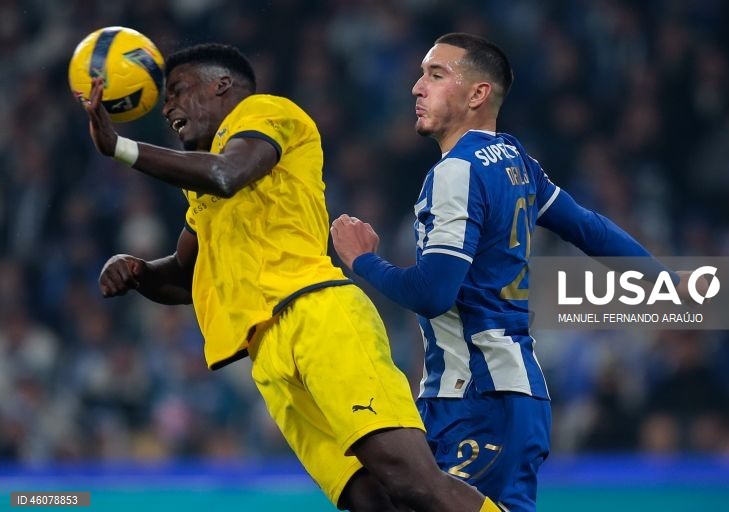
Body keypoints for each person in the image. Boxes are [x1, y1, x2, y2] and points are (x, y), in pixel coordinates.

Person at [84, 43, 502, 512]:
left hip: (318, 316)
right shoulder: (198, 181)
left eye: (179, 91)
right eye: (165, 102)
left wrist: (119, 147)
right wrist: (137, 272)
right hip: (267, 353)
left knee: (412, 480)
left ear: (222, 85)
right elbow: (185, 277)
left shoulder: (266, 113)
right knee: (370, 501)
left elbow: (228, 173)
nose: (168, 107)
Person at [331, 33, 703, 511]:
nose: (416, 87)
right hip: (507, 393)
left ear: (477, 94)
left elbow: (433, 293)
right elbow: (589, 229)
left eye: (435, 74)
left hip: (477, 398)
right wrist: (663, 281)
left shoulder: (456, 172)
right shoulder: (514, 159)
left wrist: (364, 261)